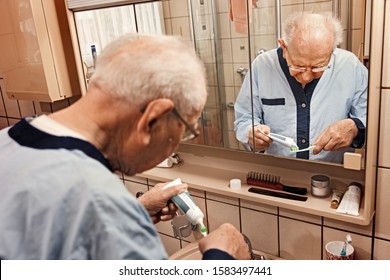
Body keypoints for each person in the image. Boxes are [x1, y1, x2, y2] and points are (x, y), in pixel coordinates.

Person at [0, 34, 250, 260]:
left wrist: (133, 214)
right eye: (184, 132)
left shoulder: (7, 140)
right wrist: (222, 257)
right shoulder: (102, 206)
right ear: (152, 119)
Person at [234, 12, 367, 163]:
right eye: (299, 66)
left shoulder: (350, 66)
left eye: (318, 67)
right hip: (277, 171)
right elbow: (244, 119)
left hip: (333, 175)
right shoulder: (262, 66)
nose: (306, 77)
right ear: (284, 47)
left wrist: (354, 127)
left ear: (331, 51)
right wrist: (251, 133)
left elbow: (373, 118)